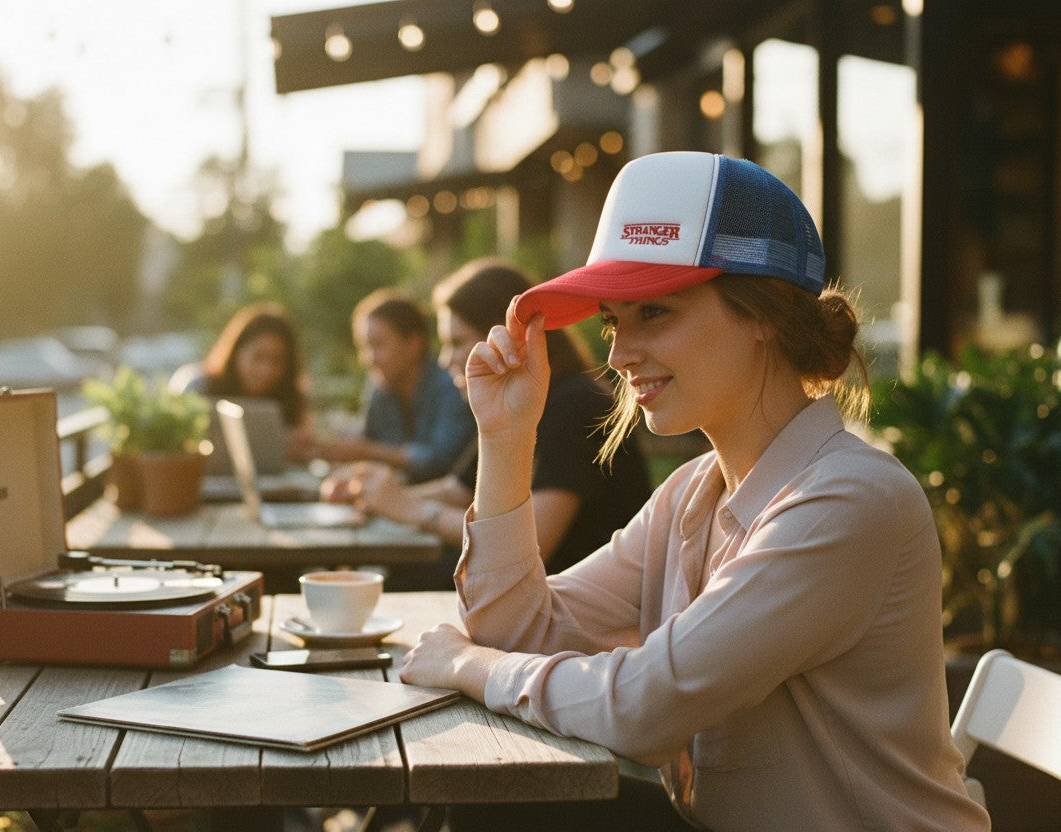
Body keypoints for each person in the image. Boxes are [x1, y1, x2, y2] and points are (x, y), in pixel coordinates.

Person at [399, 152, 991, 831]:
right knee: (496, 806)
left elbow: (645, 710)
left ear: (765, 313)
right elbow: (517, 631)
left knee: (497, 811)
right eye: (613, 321)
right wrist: (506, 439)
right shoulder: (692, 493)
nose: (618, 354)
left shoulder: (852, 500)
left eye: (655, 312)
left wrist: (470, 666)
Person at [327, 257, 652, 575]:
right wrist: (371, 494)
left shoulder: (576, 404)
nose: (446, 360)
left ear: (507, 338)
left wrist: (413, 510)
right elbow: (459, 490)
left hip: (586, 599)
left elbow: (532, 545)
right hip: (540, 592)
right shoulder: (514, 404)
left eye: (457, 342)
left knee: (398, 578)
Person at [304, 288, 476, 484]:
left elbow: (442, 462)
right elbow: (364, 441)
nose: (369, 359)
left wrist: (369, 451)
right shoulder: (380, 389)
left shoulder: (453, 385)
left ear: (414, 344)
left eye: (377, 345)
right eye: (364, 347)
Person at [169, 301, 314, 455]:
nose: (266, 370)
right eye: (258, 357)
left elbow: (309, 449)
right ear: (236, 351)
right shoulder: (198, 385)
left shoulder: (292, 400)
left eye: (276, 360)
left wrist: (302, 448)